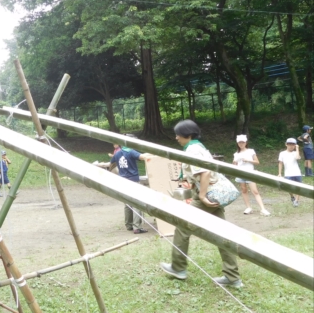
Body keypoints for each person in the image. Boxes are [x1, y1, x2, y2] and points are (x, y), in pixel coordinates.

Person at [160, 120, 243, 288]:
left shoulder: (193, 149)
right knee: (222, 234)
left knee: (182, 226)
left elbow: (204, 173)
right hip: (212, 194)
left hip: (206, 196)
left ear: (188, 135)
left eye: (178, 134)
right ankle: (233, 277)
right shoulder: (199, 147)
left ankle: (178, 268)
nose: (176, 137)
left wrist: (203, 196)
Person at [105, 143, 151, 234]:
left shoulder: (117, 153)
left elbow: (109, 163)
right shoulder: (131, 151)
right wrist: (151, 154)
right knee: (137, 203)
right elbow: (142, 157)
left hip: (123, 181)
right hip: (133, 181)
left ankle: (129, 225)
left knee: (127, 203)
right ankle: (137, 227)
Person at [233, 135, 270, 216]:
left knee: (255, 191)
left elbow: (257, 162)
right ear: (237, 143)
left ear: (246, 143)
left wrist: (248, 160)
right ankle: (248, 207)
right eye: (239, 142)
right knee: (243, 190)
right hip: (240, 173)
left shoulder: (251, 151)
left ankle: (263, 209)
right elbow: (234, 165)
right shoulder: (236, 154)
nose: (241, 144)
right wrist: (235, 162)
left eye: (243, 142)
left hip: (250, 173)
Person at [278, 138, 302, 207]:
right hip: (288, 173)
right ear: (286, 144)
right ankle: (292, 196)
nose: (291, 146)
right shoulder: (282, 153)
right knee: (288, 187)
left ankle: (296, 201)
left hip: (297, 173)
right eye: (289, 144)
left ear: (295, 145)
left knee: (299, 187)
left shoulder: (295, 153)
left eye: (293, 145)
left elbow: (297, 158)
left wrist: (297, 149)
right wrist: (279, 173)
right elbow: (280, 163)